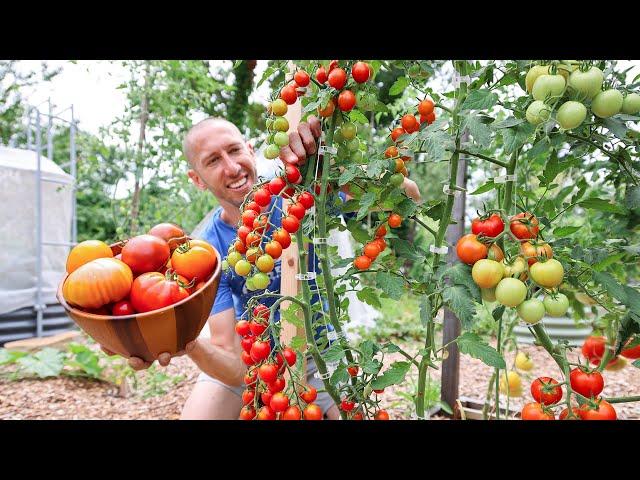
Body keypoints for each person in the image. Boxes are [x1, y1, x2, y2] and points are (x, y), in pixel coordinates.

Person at [104, 113, 421, 420]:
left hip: (323, 355)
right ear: (197, 179)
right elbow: (231, 358)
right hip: (257, 355)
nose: (231, 167)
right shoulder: (205, 253)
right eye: (213, 161)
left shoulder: (300, 192)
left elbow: (407, 196)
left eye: (233, 150)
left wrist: (332, 172)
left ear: (250, 149)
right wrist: (186, 343)